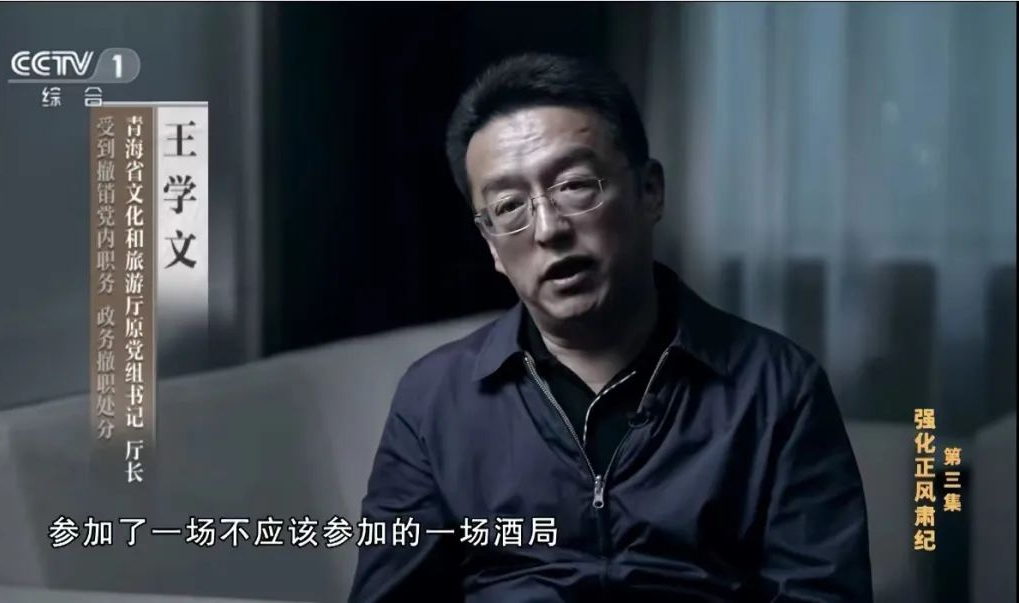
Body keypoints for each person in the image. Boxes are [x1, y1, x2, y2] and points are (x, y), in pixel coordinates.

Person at [349, 53, 872, 602]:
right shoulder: (434, 398)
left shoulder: (777, 387)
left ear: (650, 191)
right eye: (507, 206)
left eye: (574, 184)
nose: (548, 229)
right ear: (491, 246)